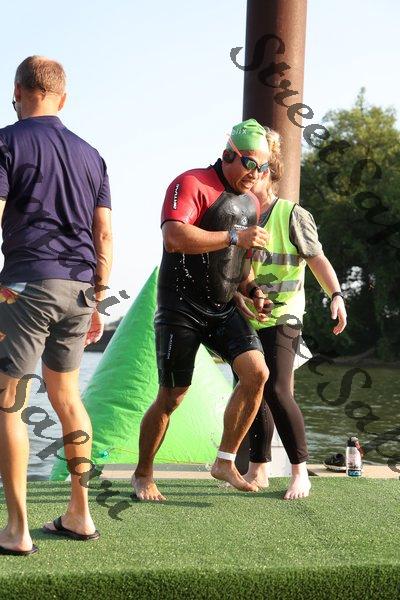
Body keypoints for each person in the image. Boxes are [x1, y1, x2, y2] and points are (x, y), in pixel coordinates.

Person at [0, 56, 113, 555]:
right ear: (62, 99)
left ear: (18, 91)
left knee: (10, 400)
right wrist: (98, 297)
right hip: (80, 287)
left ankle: (17, 530)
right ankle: (80, 515)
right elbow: (103, 233)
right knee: (68, 398)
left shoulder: (7, 142)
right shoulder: (92, 155)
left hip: (26, 284)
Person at [132, 119, 272, 501]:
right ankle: (143, 473)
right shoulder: (191, 183)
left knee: (257, 373)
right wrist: (234, 236)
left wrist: (253, 290)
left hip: (222, 308)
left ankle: (224, 461)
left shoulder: (252, 203)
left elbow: (240, 266)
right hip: (180, 307)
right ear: (228, 155)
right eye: (250, 163)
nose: (256, 173)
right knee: (172, 396)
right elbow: (174, 237)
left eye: (263, 167)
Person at [234, 126, 347, 500]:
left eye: (254, 168)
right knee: (252, 386)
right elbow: (235, 273)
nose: (247, 176)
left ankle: (300, 472)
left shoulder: (292, 215)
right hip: (250, 315)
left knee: (278, 388)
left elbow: (317, 259)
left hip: (285, 315)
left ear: (269, 173)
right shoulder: (237, 216)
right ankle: (259, 467)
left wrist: (336, 295)